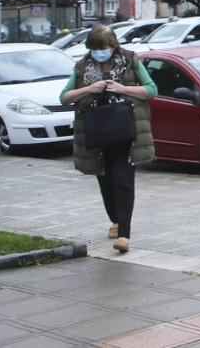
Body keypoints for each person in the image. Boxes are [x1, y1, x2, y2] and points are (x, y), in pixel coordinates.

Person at [59, 25, 156, 253]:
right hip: (96, 132)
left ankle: (124, 234)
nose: (99, 53)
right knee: (105, 182)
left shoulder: (130, 61)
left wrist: (123, 89)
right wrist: (89, 89)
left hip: (124, 131)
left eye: (103, 48)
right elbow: (65, 97)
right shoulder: (83, 66)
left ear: (113, 46)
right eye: (94, 49)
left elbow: (151, 90)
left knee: (122, 181)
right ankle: (115, 220)